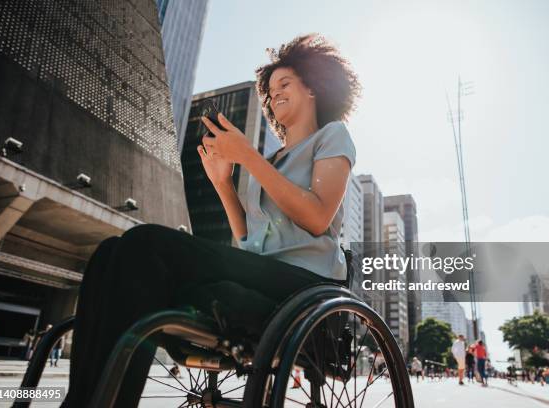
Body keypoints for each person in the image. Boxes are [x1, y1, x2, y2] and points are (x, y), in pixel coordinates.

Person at [61, 34, 361, 408]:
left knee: (144, 243)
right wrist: (222, 182)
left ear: (314, 88)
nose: (275, 93)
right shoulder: (273, 161)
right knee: (108, 253)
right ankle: (84, 398)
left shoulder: (331, 136)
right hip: (267, 272)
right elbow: (247, 237)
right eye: (270, 90)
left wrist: (248, 158)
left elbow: (317, 217)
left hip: (308, 282)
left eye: (285, 84)